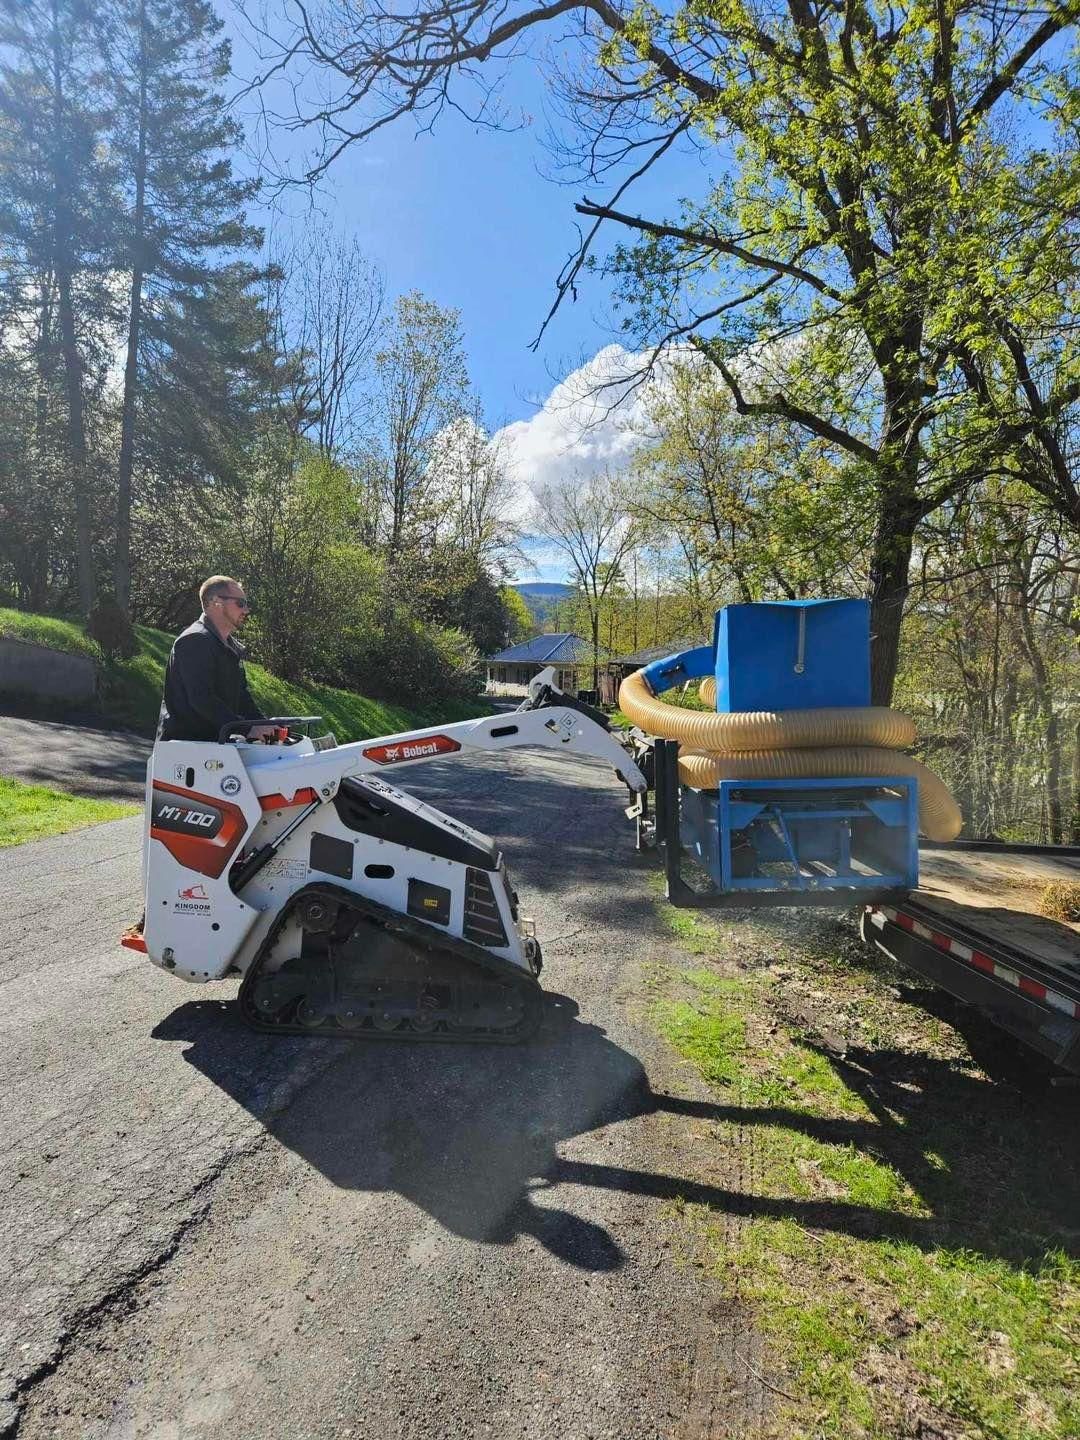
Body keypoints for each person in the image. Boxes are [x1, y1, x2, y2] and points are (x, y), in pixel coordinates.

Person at [157, 575, 276, 742]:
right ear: (216, 602)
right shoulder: (194, 640)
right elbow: (202, 698)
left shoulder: (230, 646)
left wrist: (265, 726)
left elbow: (241, 698)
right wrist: (247, 729)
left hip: (214, 748)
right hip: (185, 749)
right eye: (240, 603)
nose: (246, 610)